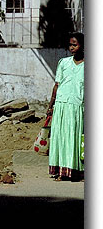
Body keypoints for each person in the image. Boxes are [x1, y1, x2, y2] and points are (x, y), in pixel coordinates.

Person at [47, 32, 84, 181]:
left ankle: (77, 171)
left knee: (75, 138)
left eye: (74, 44)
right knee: (61, 138)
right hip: (61, 105)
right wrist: (51, 106)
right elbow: (57, 85)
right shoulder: (63, 62)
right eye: (70, 45)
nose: (71, 48)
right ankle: (62, 172)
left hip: (77, 106)